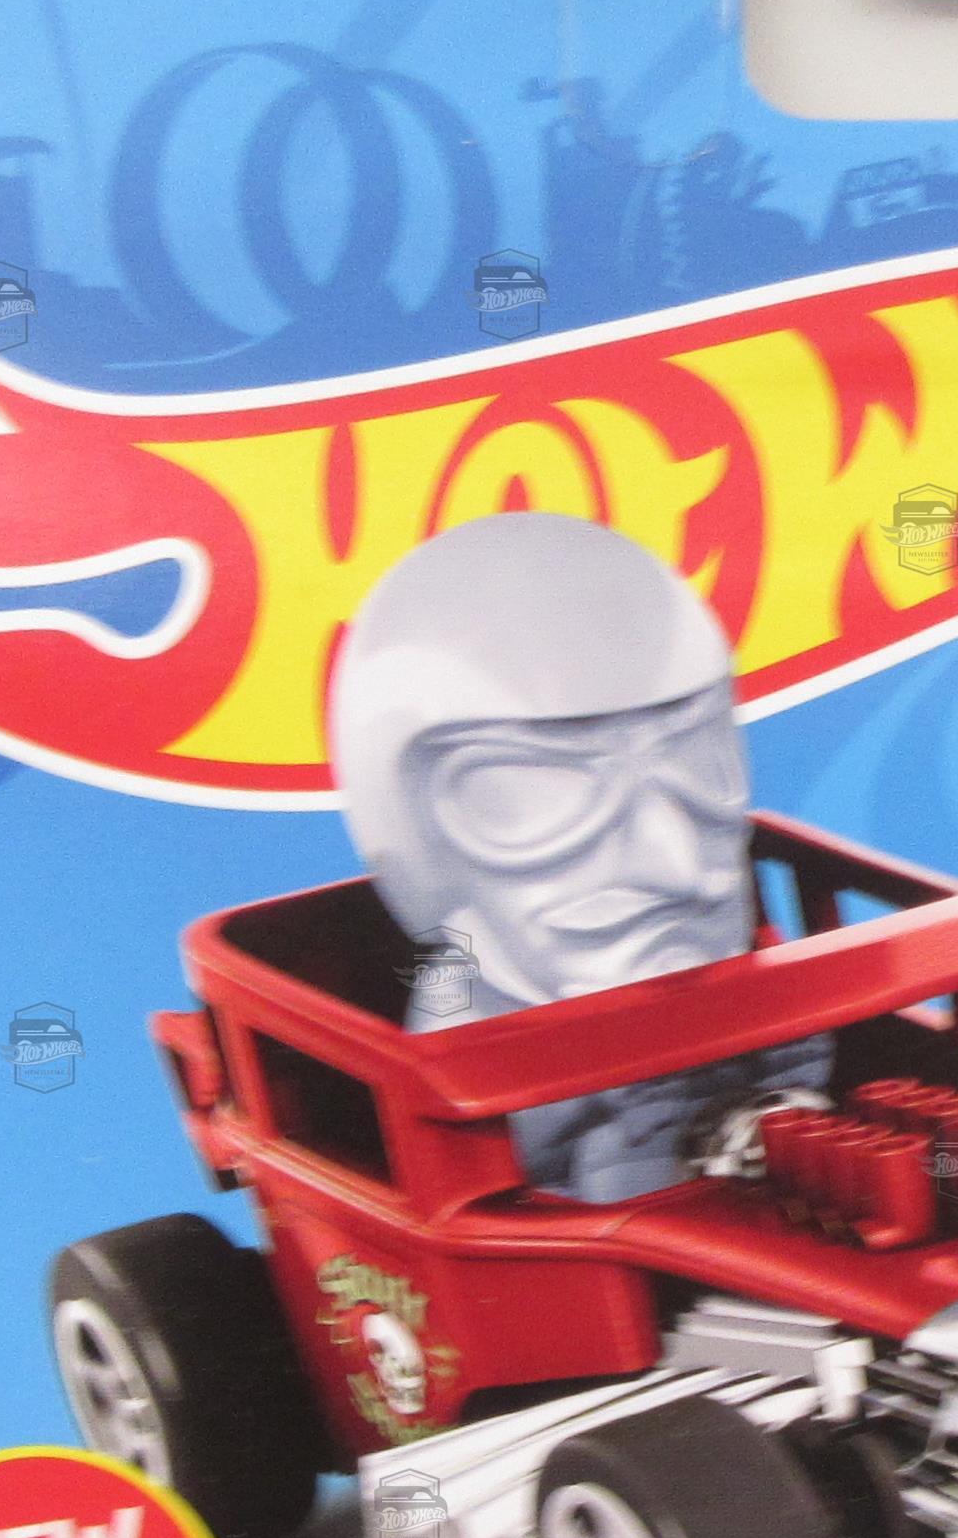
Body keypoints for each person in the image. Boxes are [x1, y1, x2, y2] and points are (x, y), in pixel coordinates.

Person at [330, 514, 828, 1202]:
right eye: (541, 791)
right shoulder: (467, 1028)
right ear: (411, 828)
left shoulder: (760, 977)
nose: (676, 862)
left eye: (697, 759)